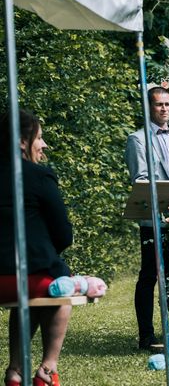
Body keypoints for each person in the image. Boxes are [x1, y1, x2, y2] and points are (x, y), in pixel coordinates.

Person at [0, 110, 73, 386]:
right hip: (27, 279)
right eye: (39, 138)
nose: (43, 145)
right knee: (60, 289)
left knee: (27, 297)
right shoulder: (39, 176)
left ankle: (15, 371)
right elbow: (63, 234)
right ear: (21, 141)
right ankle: (46, 369)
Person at [125, 86, 169, 350]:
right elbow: (140, 180)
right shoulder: (137, 139)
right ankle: (146, 335)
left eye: (167, 104)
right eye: (158, 105)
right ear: (148, 108)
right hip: (153, 218)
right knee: (150, 275)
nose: (164, 108)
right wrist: (168, 196)